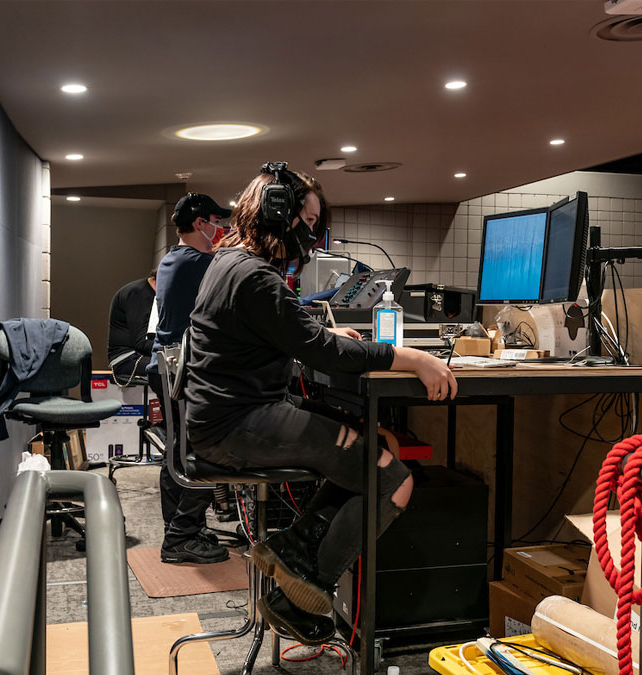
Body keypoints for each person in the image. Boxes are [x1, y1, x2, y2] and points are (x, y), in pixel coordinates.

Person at [184, 162, 457, 644]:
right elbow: (325, 352)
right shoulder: (256, 277)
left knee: (369, 445)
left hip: (223, 420)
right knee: (393, 479)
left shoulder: (229, 263)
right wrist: (413, 357)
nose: (311, 235)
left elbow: (282, 332)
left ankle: (294, 548)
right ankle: (302, 590)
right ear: (278, 213)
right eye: (307, 222)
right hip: (238, 426)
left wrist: (317, 331)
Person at [148, 192, 233, 564]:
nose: (224, 230)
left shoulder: (174, 258)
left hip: (170, 367)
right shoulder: (196, 263)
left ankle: (181, 528)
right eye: (219, 222)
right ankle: (181, 536)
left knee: (179, 451)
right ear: (202, 223)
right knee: (204, 449)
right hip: (183, 370)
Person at [107, 270, 156, 384]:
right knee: (173, 369)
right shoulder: (138, 294)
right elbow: (141, 343)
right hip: (125, 358)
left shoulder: (152, 294)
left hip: (139, 355)